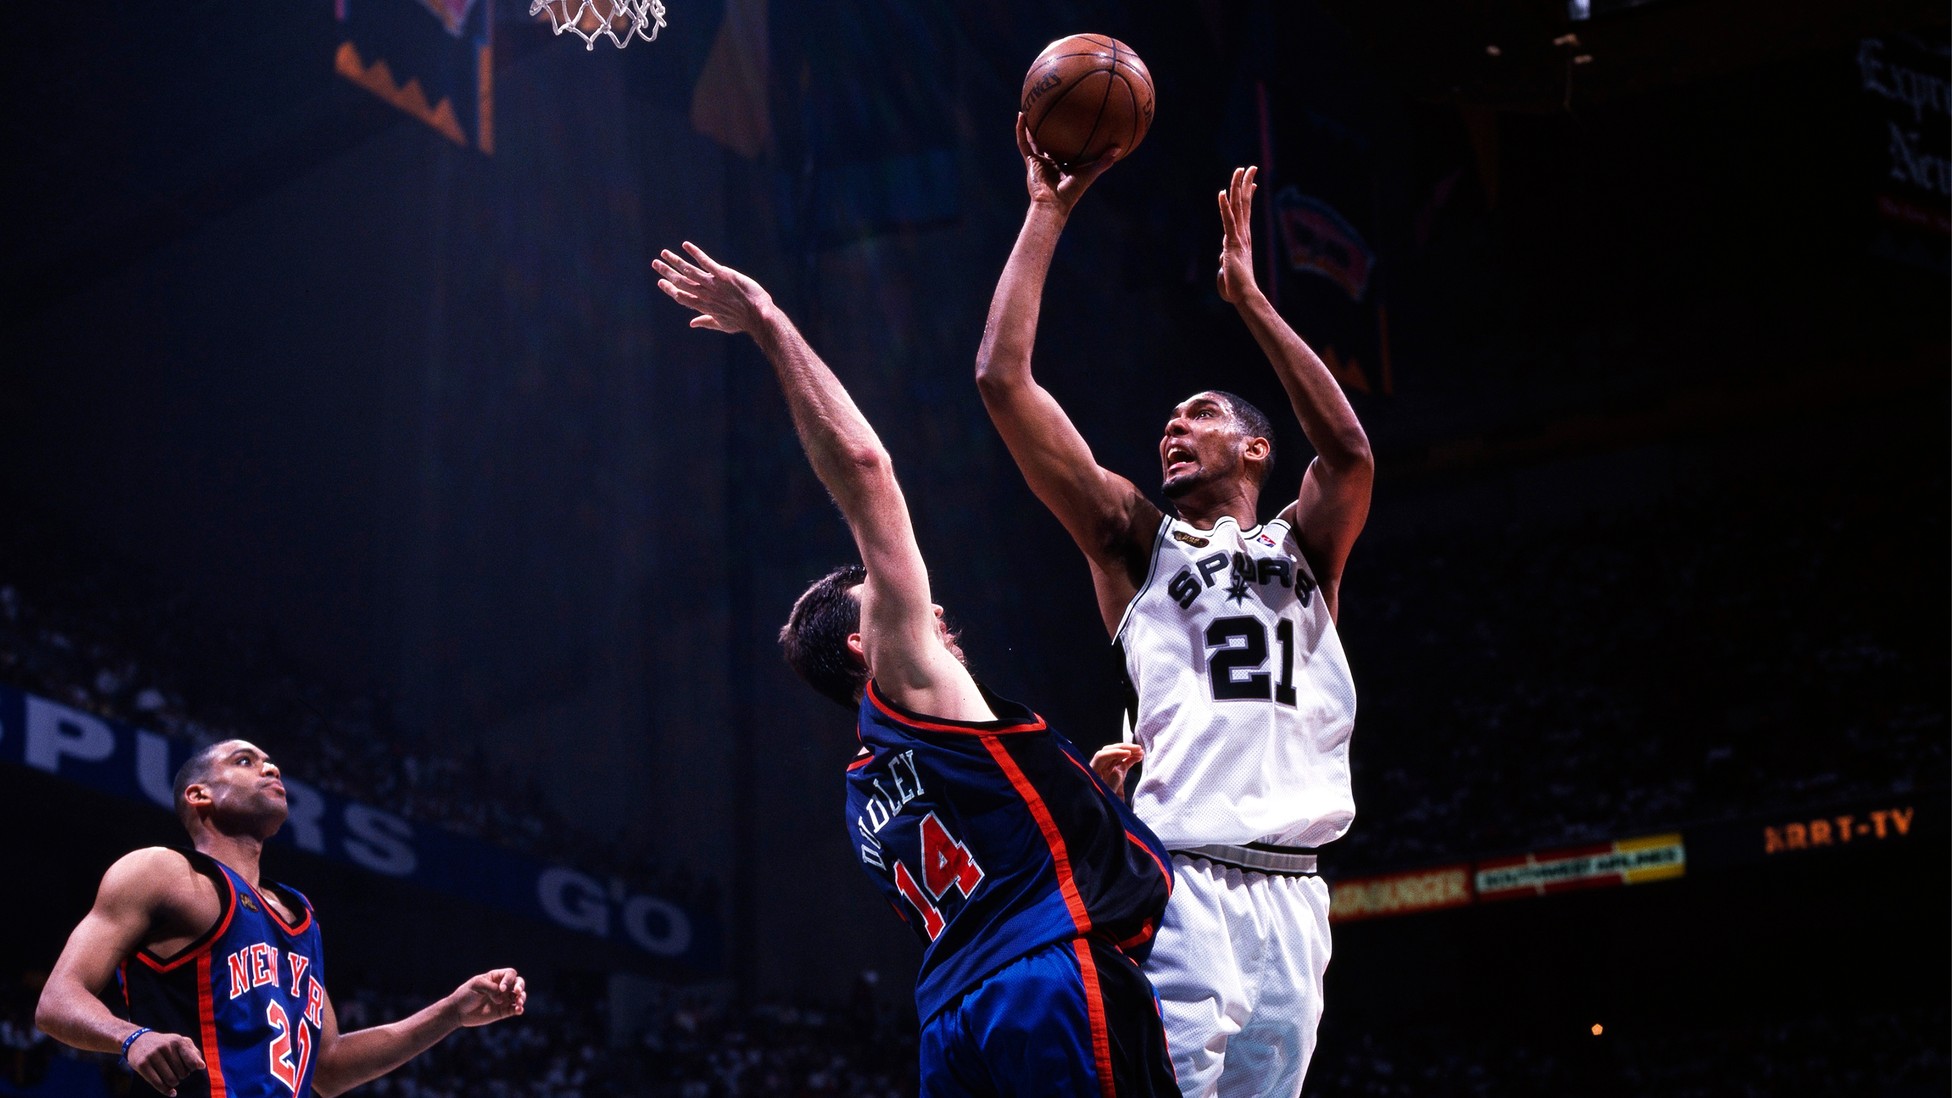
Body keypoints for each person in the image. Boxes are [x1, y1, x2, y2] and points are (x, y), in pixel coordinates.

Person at [654, 241, 1177, 1097]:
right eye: (889, 604)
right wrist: (770, 323)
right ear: (865, 646)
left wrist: (1085, 802)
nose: (929, 611)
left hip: (953, 1023)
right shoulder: (908, 683)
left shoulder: (865, 788)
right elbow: (866, 469)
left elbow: (990, 856)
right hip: (1042, 985)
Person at [974, 118, 1375, 1098]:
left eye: (1198, 415)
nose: (1172, 428)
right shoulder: (1136, 541)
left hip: (1295, 895)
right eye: (1167, 421)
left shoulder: (1305, 548)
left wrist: (1250, 301)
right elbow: (1001, 381)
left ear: (1255, 449)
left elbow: (1349, 453)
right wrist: (1044, 214)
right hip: (1184, 880)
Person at [36, 739, 527, 1098]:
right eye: (245, 761)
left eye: (271, 762)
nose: (270, 768)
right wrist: (132, 1037)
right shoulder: (161, 872)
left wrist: (451, 1012)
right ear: (199, 795)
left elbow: (329, 1068)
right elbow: (57, 1001)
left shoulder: (299, 915)